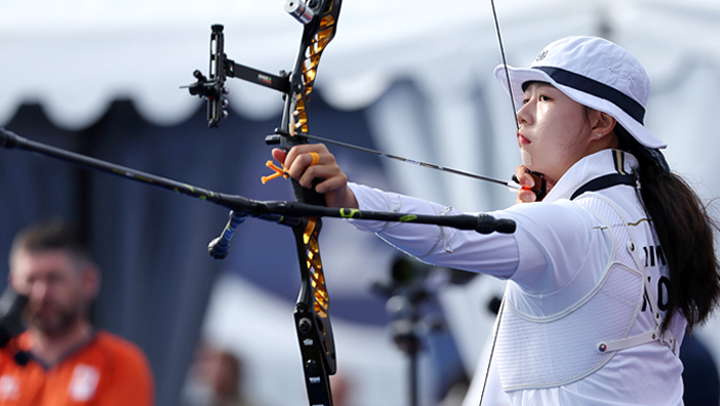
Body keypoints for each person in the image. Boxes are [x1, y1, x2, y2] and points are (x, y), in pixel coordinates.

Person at [270, 36, 720, 404]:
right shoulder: (652, 216)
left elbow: (452, 232)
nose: (522, 112)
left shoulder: (577, 224)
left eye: (544, 98)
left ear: (600, 122)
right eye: (525, 97)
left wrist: (347, 198)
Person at [0, 220, 154, 405]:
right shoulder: (5, 357)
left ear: (88, 280)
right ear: (13, 284)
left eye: (55, 279)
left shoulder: (119, 363)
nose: (41, 293)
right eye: (30, 280)